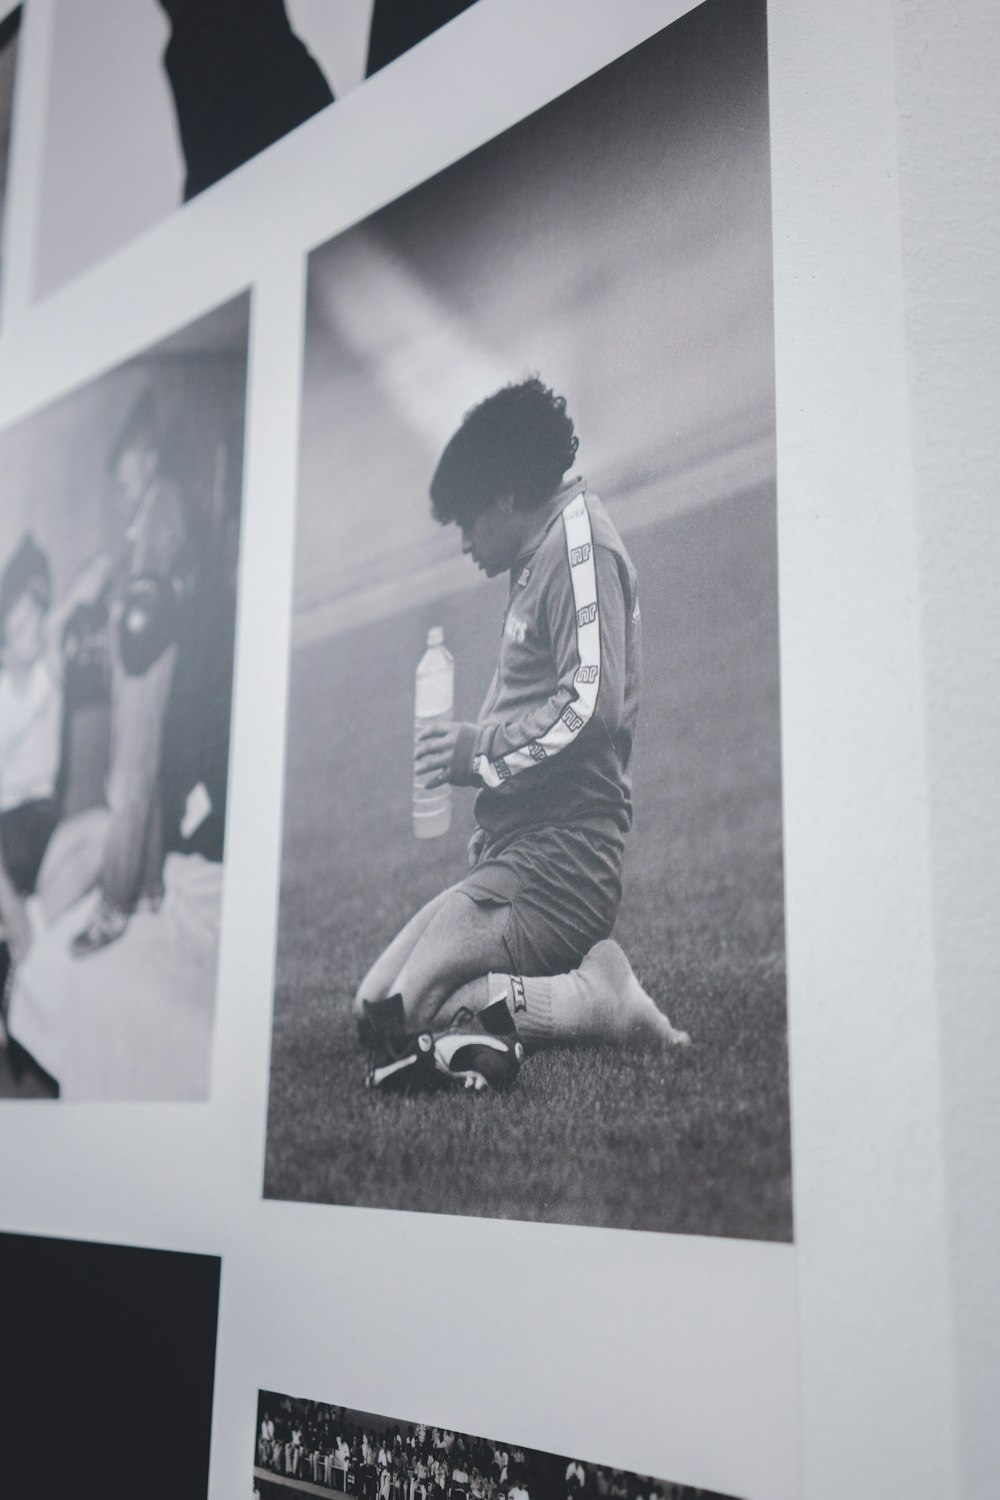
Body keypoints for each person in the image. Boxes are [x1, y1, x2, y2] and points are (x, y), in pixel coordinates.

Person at [355, 378, 690, 1088]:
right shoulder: (539, 554)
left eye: (468, 522)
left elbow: (590, 710)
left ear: (507, 495)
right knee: (373, 1009)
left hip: (564, 863)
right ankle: (589, 996)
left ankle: (601, 998)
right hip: (515, 857)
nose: (465, 543)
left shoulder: (580, 547)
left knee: (400, 1016)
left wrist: (477, 750)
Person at [70, 391, 189, 958]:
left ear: (147, 460)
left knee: (129, 781)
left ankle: (114, 907)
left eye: (125, 476)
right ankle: (146, 885)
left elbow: (150, 591)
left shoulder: (161, 502)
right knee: (142, 769)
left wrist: (116, 582)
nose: (121, 491)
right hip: (136, 655)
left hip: (146, 653)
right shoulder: (146, 513)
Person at [0, 535, 110, 979]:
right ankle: (16, 930)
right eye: (19, 623)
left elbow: (99, 567)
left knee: (108, 831)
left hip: (43, 829)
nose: (33, 629)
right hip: (2, 838)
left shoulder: (50, 670)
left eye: (37, 617)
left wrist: (54, 617)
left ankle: (21, 943)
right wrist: (6, 898)